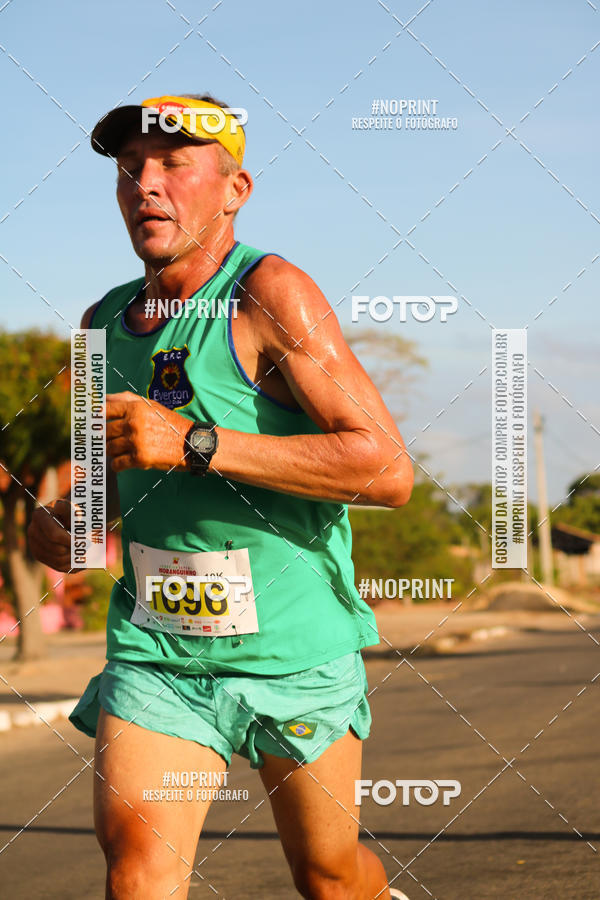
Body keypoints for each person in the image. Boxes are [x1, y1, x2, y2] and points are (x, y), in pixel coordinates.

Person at [28, 93, 413, 900]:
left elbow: (386, 470)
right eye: (131, 169)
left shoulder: (269, 292)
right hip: (157, 653)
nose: (146, 185)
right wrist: (61, 521)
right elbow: (99, 487)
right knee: (137, 873)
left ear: (235, 188)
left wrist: (196, 443)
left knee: (331, 878)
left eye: (173, 164)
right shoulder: (102, 324)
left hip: (293, 652)